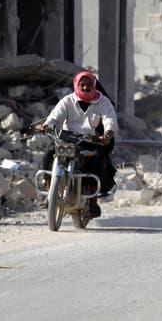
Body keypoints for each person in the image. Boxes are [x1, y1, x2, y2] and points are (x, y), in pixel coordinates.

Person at [36, 71, 118, 218]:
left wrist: (108, 133)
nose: (85, 87)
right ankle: (49, 192)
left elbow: (109, 119)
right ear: (76, 84)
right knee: (49, 154)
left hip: (91, 141)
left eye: (88, 84)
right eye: (82, 84)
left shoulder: (103, 102)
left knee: (96, 159)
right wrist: (46, 125)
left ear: (94, 85)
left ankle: (93, 202)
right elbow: (55, 116)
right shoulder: (67, 101)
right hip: (67, 140)